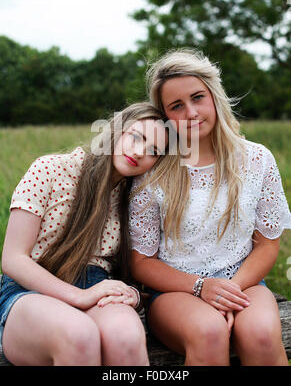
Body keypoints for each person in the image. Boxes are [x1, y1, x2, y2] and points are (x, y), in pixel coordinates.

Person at [128, 49, 291, 366]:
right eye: (176, 105)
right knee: (209, 332)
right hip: (175, 292)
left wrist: (228, 289)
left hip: (244, 282)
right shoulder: (155, 172)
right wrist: (202, 287)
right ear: (165, 116)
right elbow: (141, 262)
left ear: (214, 96)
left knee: (259, 333)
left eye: (197, 97)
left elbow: (268, 245)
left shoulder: (257, 160)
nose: (190, 111)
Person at [0, 102, 168, 366]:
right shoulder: (50, 169)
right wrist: (78, 296)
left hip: (96, 284)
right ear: (117, 130)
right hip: (30, 290)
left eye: (154, 151)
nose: (140, 152)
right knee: (79, 335)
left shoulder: (136, 199)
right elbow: (12, 260)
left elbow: (139, 269)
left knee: (125, 337)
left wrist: (134, 295)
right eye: (136, 137)